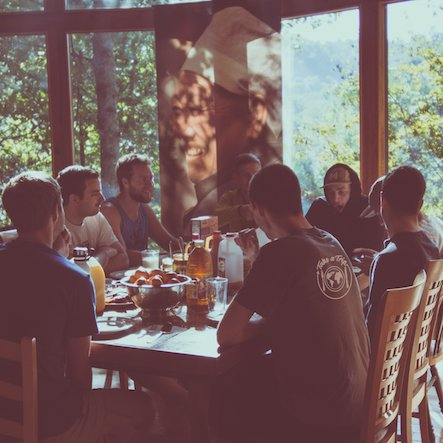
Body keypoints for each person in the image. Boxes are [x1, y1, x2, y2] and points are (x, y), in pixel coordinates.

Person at [213, 164, 370, 443]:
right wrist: (257, 261)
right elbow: (300, 296)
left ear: (258, 209)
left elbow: (228, 334)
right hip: (359, 404)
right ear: (297, 200)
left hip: (324, 417)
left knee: (224, 386)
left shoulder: (280, 252)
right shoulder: (329, 241)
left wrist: (271, 325)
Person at [0, 171, 154, 442]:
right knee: (142, 408)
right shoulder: (74, 279)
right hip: (49, 423)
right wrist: (60, 261)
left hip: (5, 415)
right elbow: (80, 377)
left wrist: (56, 255)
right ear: (56, 212)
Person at [158, 6, 282, 235]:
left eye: (197, 109)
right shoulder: (222, 199)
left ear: (255, 113)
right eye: (177, 112)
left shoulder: (271, 199)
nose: (182, 129)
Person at [365, 166, 440, 341]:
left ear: (382, 201)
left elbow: (372, 333)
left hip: (383, 358)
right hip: (417, 353)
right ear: (420, 204)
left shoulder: (387, 260)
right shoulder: (432, 250)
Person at [101, 154, 178, 266]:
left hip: (142, 275)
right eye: (143, 179)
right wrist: (165, 258)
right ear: (125, 182)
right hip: (116, 277)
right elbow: (122, 255)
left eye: (151, 178)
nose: (150, 184)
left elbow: (168, 242)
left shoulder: (144, 209)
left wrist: (192, 249)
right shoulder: (110, 211)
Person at [56, 165, 129, 274]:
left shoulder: (96, 217)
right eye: (95, 194)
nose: (102, 198)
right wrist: (104, 254)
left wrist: (87, 267)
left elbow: (123, 258)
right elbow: (68, 274)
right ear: (74, 200)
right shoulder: (55, 227)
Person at [305, 163, 385, 256]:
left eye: (341, 192)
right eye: (330, 192)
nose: (335, 199)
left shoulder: (369, 209)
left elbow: (376, 251)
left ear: (352, 189)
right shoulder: (319, 208)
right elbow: (304, 239)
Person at [215, 153, 262, 232]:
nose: (252, 179)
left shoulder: (269, 196)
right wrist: (239, 211)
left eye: (257, 174)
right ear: (236, 177)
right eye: (247, 175)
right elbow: (215, 219)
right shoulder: (230, 197)